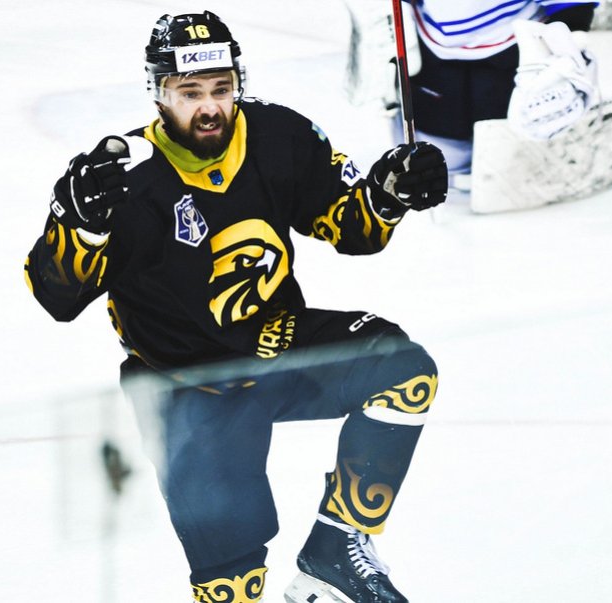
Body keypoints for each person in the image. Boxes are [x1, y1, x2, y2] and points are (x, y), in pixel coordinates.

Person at [24, 11, 448, 603]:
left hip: (278, 347)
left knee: (402, 368)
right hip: (183, 385)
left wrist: (387, 194)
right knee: (231, 586)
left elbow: (350, 226)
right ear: (159, 93)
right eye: (190, 92)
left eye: (220, 89)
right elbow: (58, 297)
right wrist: (81, 226)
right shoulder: (125, 179)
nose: (209, 108)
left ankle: (335, 551)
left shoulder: (278, 135)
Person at [344, 0, 599, 188]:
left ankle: (537, 142)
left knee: (509, 137)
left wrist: (571, 32)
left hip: (511, 41)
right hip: (434, 42)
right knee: (440, 149)